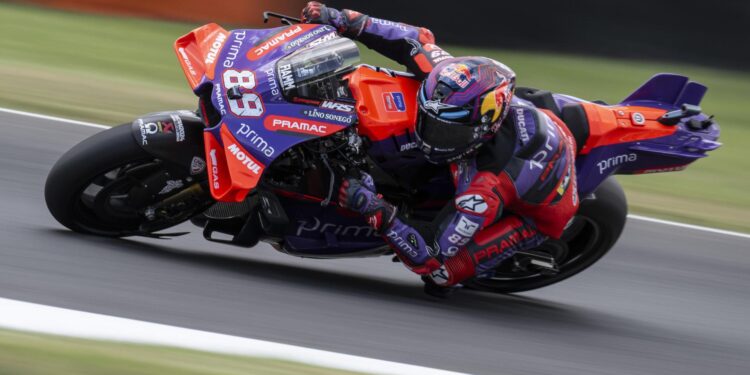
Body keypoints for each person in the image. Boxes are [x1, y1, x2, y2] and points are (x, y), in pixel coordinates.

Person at [302, 2, 580, 295]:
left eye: (445, 130)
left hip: (539, 214)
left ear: (481, 130)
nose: (431, 135)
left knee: (441, 276)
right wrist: (342, 19)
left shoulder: (484, 187)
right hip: (542, 124)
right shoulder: (448, 79)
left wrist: (374, 207)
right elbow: (414, 39)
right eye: (429, 119)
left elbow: (430, 255)